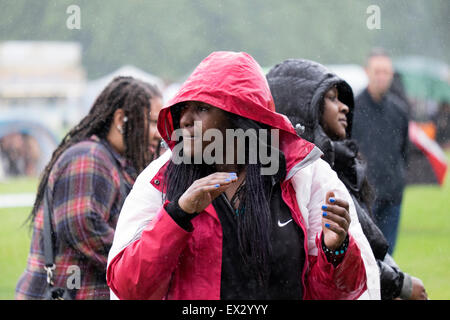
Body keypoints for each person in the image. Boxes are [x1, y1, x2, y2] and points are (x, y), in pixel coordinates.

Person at [106, 51, 380, 300]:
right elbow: (129, 288)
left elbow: (338, 294)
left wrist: (336, 251)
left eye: (202, 108)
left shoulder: (303, 175)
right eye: (182, 109)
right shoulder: (160, 178)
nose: (185, 120)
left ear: (241, 116)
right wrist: (178, 214)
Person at [266, 58, 427, 300]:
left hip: (393, 192)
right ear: (303, 107)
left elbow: (369, 250)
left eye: (341, 98)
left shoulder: (341, 162)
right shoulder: (305, 174)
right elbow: (319, 263)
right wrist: (399, 284)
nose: (344, 108)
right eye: (331, 98)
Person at [15, 76, 163, 299]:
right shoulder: (89, 157)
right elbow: (83, 227)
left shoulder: (113, 161)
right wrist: (139, 260)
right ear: (121, 119)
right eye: (152, 122)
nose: (159, 133)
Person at [351, 48, 409, 255]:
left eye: (386, 72)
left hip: (392, 195)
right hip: (365, 197)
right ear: (367, 72)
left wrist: (399, 182)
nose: (382, 77)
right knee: (365, 255)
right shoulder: (353, 108)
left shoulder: (400, 111)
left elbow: (404, 152)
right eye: (377, 71)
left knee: (388, 257)